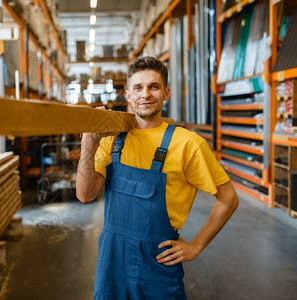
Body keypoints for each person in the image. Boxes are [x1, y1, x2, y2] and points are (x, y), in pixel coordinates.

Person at [76, 56, 239, 299]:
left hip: (157, 264)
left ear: (166, 92)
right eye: (138, 88)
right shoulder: (111, 141)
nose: (146, 94)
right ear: (128, 94)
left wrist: (195, 246)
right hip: (112, 261)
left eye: (154, 87)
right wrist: (89, 139)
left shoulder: (187, 144)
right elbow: (85, 194)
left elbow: (229, 198)